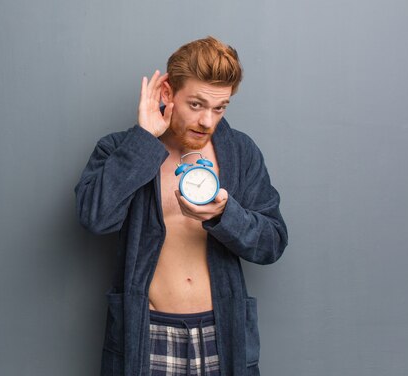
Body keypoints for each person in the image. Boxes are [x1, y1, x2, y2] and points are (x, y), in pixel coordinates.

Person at [75, 36, 288, 376]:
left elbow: (273, 241)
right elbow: (95, 217)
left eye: (219, 108)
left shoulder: (240, 152)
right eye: (196, 104)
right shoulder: (120, 148)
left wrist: (225, 215)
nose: (207, 121)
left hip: (222, 333)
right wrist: (144, 141)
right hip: (148, 333)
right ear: (167, 93)